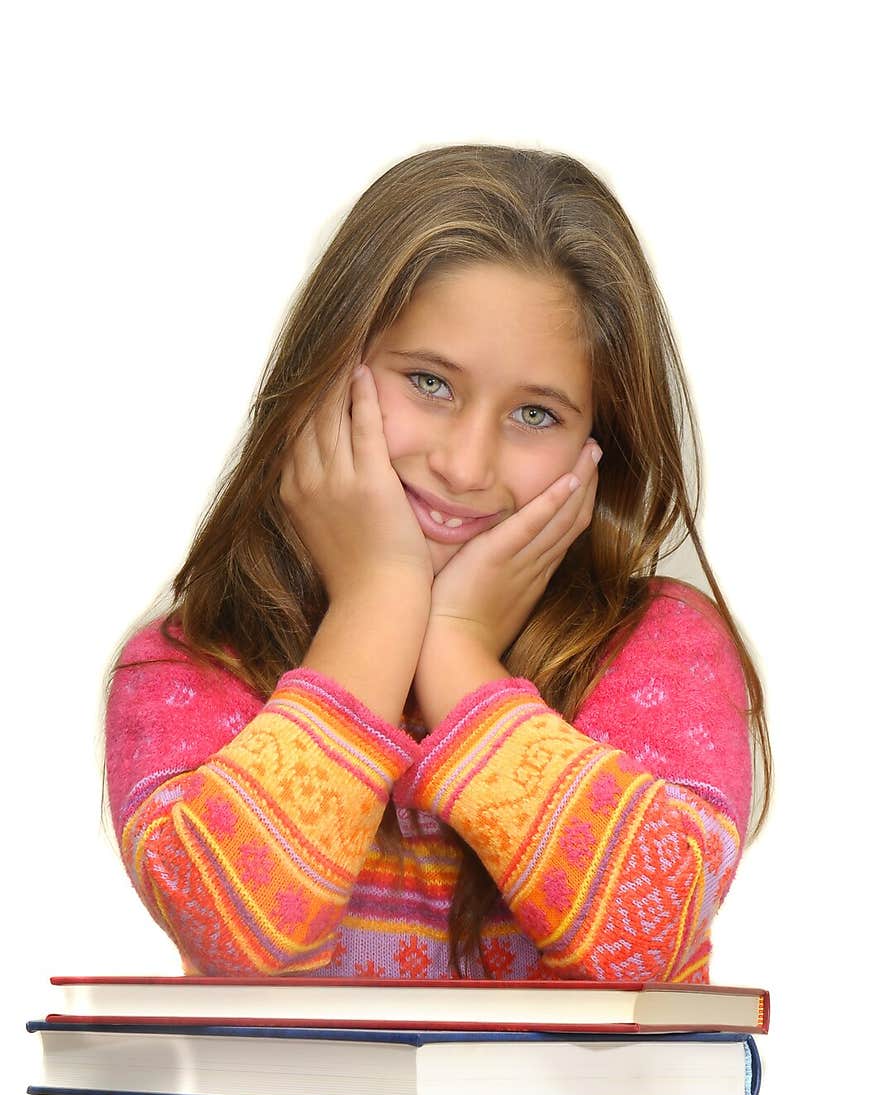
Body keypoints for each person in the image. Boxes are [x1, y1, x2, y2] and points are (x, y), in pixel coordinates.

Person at [103, 143, 771, 983]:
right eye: (429, 382)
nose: (464, 464)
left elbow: (645, 942)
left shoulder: (659, 654)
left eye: (535, 411)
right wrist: (377, 606)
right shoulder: (189, 668)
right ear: (325, 373)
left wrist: (457, 652)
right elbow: (246, 946)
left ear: (600, 447)